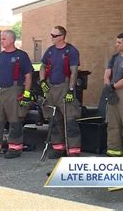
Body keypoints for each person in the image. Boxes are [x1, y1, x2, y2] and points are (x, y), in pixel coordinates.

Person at [0, 30, 33, 159]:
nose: (1, 41)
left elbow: (28, 76)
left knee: (15, 120)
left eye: (4, 39)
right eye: (1, 39)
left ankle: (15, 148)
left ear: (12, 40)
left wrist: (26, 94)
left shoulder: (22, 56)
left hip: (14, 91)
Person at [39, 26, 81, 158]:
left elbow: (74, 71)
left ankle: (73, 150)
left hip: (65, 86)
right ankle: (58, 148)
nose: (51, 37)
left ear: (62, 37)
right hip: (51, 87)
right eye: (51, 34)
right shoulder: (50, 51)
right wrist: (42, 81)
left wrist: (71, 90)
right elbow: (42, 66)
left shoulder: (71, 51)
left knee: (70, 120)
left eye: (54, 35)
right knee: (54, 119)